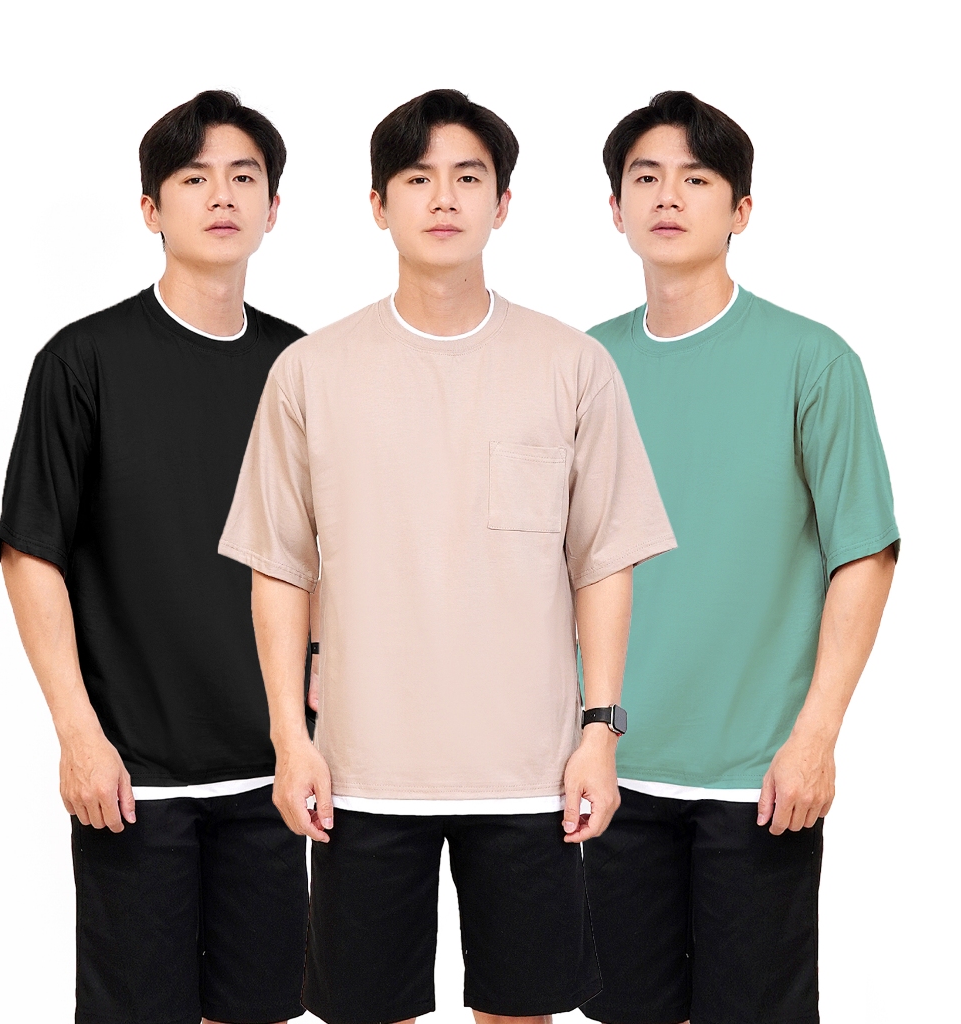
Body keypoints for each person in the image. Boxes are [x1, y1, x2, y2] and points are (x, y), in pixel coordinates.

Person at [219, 88, 677, 1024]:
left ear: (502, 204)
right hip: (361, 771)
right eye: (417, 178)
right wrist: (290, 740)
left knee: (521, 1010)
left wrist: (599, 732)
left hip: (530, 772)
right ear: (378, 205)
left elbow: (604, 562)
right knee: (366, 1009)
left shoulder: (571, 366)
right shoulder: (310, 372)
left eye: (468, 178)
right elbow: (280, 570)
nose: (443, 198)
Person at [579, 90, 898, 1024]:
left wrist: (816, 737)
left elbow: (864, 554)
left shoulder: (813, 361)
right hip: (613, 771)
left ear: (741, 210)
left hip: (757, 780)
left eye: (697, 178)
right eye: (646, 178)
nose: (668, 196)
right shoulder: (584, 366)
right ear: (615, 209)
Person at [0, 90, 310, 1024]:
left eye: (244, 177)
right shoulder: (82, 361)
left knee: (262, 1009)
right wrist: (77, 734)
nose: (222, 196)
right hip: (135, 779)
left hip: (270, 774)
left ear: (273, 207)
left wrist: (315, 712)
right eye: (194, 178)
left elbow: (329, 556)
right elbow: (31, 551)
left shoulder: (300, 367)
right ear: (151, 209)